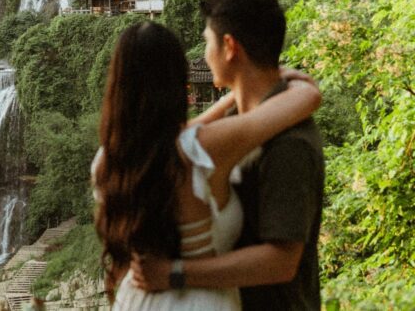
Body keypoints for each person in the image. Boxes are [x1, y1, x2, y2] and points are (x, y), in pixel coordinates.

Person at [93, 17, 321, 309]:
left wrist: (229, 100)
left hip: (135, 300)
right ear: (178, 79)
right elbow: (307, 98)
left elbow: (170, 136)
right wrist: (281, 77)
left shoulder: (107, 161)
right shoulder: (203, 148)